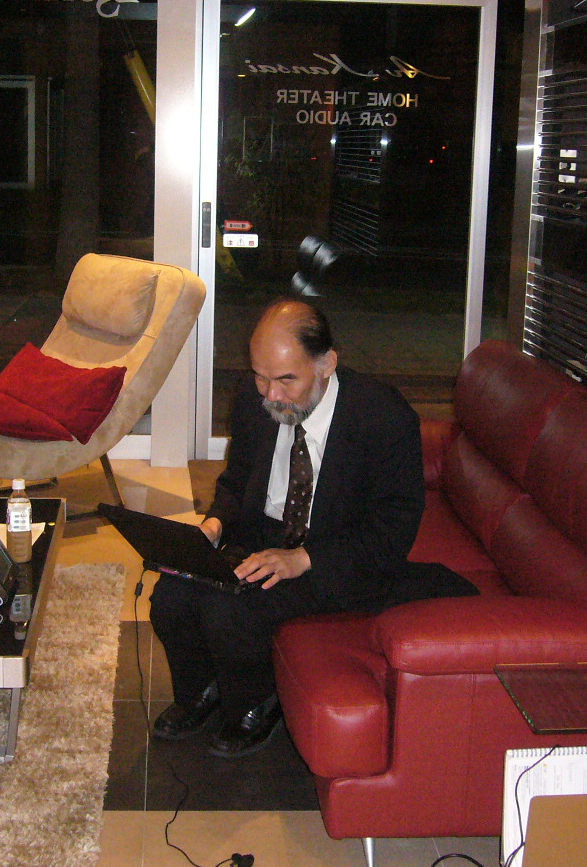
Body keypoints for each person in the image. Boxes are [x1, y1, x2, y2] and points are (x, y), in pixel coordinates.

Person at [148, 297, 474, 758]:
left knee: (231, 611)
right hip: (264, 534)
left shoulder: (382, 416)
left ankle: (255, 704)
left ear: (326, 365)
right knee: (172, 592)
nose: (271, 395)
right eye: (260, 377)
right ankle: (201, 691)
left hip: (335, 551)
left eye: (286, 380)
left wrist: (302, 559)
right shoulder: (255, 399)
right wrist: (215, 524)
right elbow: (237, 478)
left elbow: (395, 525)